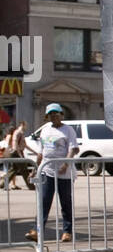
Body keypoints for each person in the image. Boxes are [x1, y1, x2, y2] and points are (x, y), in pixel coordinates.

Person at [25, 104, 79, 243]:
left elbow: (73, 149)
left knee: (65, 202)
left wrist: (65, 164)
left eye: (56, 113)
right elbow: (41, 152)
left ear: (61, 115)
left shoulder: (68, 130)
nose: (54, 116)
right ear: (47, 116)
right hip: (47, 170)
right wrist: (35, 169)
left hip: (64, 173)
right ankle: (36, 231)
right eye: (51, 114)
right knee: (43, 201)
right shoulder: (45, 130)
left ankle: (67, 232)